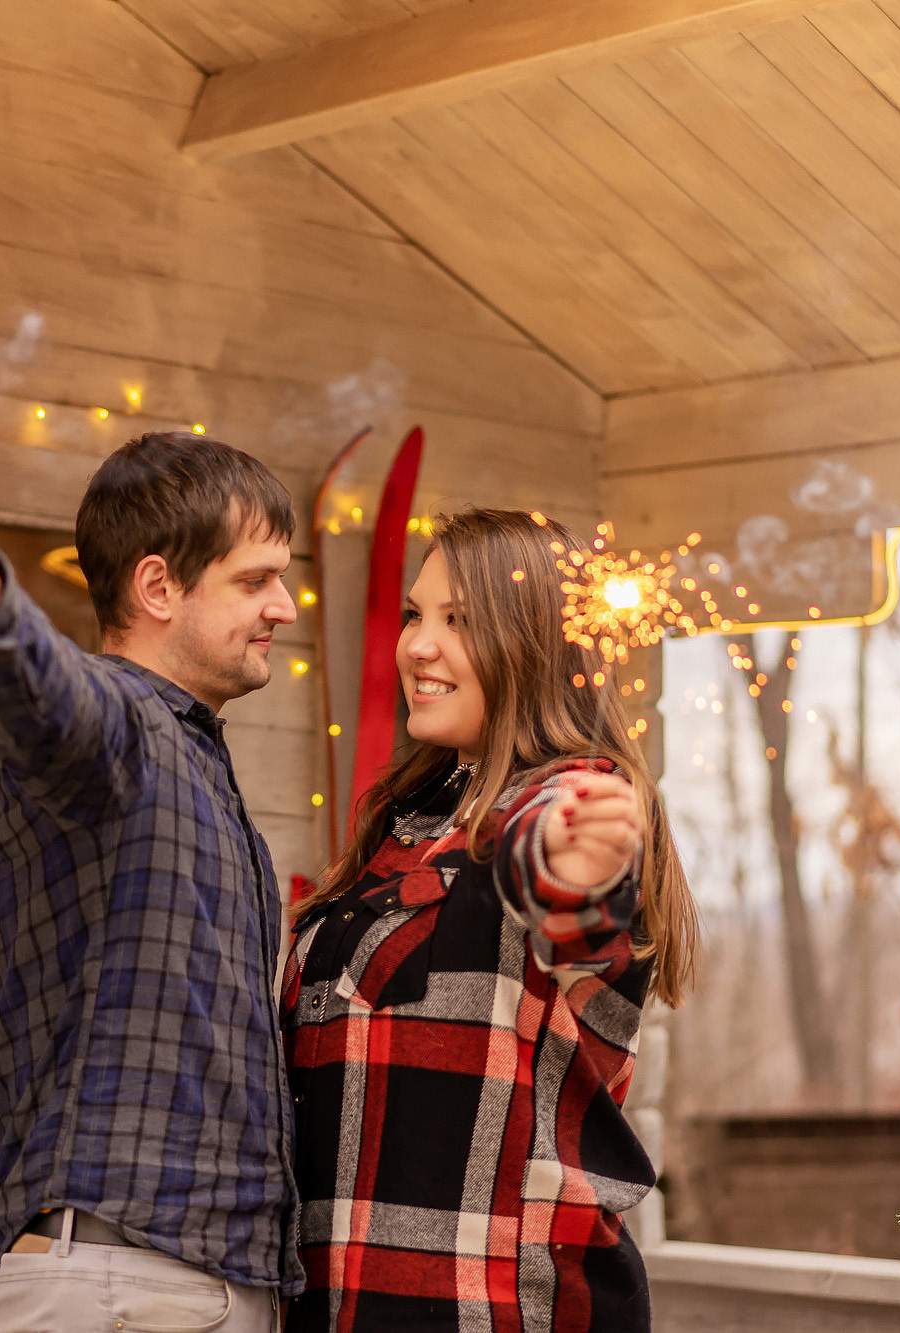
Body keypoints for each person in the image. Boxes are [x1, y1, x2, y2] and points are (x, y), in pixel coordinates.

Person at [0, 432, 304, 1333]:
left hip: (175, 1288)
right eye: (256, 580)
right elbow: (50, 701)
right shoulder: (121, 729)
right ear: (157, 588)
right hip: (119, 1286)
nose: (285, 607)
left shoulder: (197, 764)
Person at [284, 507, 697, 1333]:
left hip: (497, 1310)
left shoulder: (568, 799)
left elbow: (554, 890)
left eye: (458, 622)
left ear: (533, 642)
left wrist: (569, 863)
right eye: (414, 614)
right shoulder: (409, 819)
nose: (417, 646)